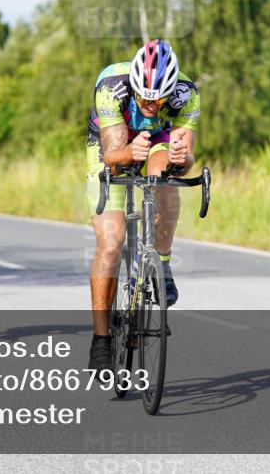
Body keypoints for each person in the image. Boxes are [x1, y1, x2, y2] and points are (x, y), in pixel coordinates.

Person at [85, 39, 200, 371]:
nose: (151, 104)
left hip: (157, 140)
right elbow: (112, 157)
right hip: (112, 143)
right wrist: (127, 154)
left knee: (165, 175)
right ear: (134, 85)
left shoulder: (186, 94)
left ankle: (160, 263)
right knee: (111, 242)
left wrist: (183, 157)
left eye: (159, 99)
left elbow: (187, 158)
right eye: (144, 97)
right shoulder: (111, 87)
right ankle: (101, 340)